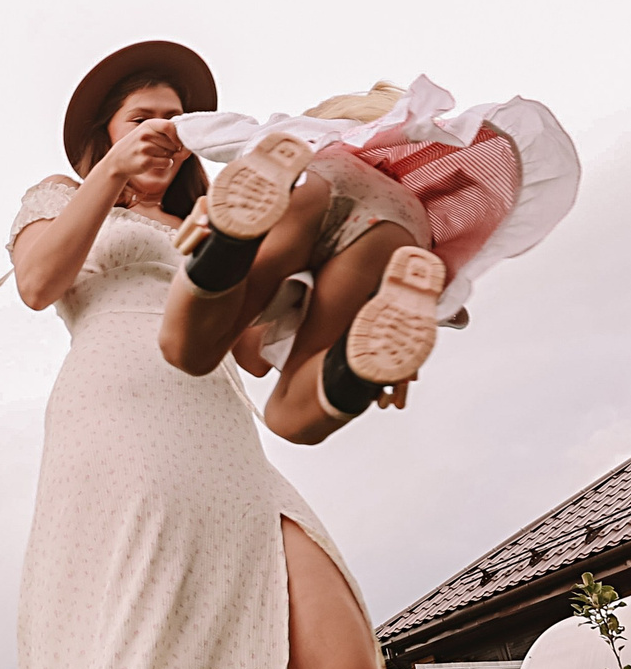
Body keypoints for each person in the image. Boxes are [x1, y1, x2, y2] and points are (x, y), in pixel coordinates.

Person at [6, 40, 387, 669]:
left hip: (224, 447)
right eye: (142, 116)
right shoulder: (61, 197)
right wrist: (104, 180)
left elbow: (262, 354)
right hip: (116, 444)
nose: (164, 130)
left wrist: (340, 300)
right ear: (104, 134)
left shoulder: (217, 225)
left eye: (178, 119)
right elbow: (40, 281)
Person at [159, 75, 580, 439]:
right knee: (288, 413)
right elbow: (443, 305)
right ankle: (351, 373)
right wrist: (404, 322)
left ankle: (231, 241)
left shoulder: (302, 136)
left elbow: (227, 130)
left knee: (189, 351)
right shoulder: (400, 152)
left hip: (315, 180)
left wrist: (176, 129)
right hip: (404, 226)